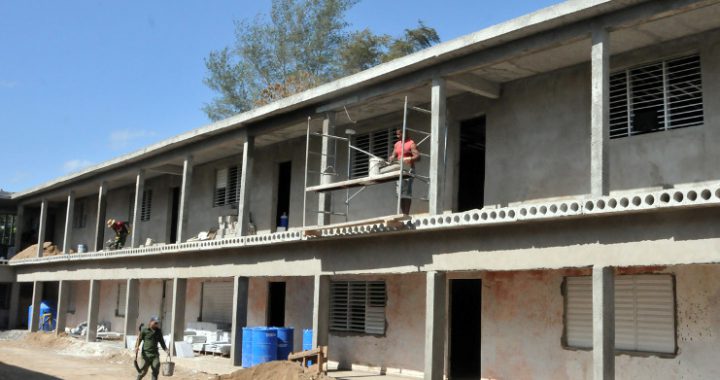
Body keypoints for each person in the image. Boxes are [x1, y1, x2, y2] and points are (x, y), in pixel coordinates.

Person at [388, 128, 420, 215]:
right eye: (397, 134)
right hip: (399, 170)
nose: (397, 136)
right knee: (399, 193)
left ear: (404, 133)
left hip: (408, 170)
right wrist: (391, 158)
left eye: (399, 134)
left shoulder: (411, 144)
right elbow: (393, 155)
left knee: (407, 192)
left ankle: (407, 213)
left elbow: (418, 157)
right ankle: (403, 214)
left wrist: (408, 158)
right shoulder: (397, 144)